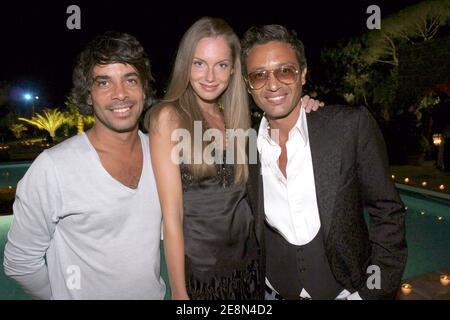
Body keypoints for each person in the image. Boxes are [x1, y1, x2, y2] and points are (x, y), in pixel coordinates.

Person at [148, 17, 321, 300]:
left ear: (232, 71)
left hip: (251, 268)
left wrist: (302, 106)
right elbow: (172, 216)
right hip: (204, 275)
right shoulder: (168, 118)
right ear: (185, 65)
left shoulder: (236, 121)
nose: (210, 76)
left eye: (221, 65)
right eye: (199, 63)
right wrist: (179, 292)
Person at [241, 25, 407, 300]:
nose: (272, 84)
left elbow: (387, 211)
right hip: (273, 292)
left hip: (347, 291)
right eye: (259, 75)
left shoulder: (348, 127)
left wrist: (370, 293)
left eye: (285, 70)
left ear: (303, 74)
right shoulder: (245, 145)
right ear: (249, 84)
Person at [3, 31, 166, 299]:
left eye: (131, 80)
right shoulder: (53, 168)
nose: (120, 94)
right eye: (104, 83)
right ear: (88, 94)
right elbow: (20, 263)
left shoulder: (160, 154)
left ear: (144, 88)